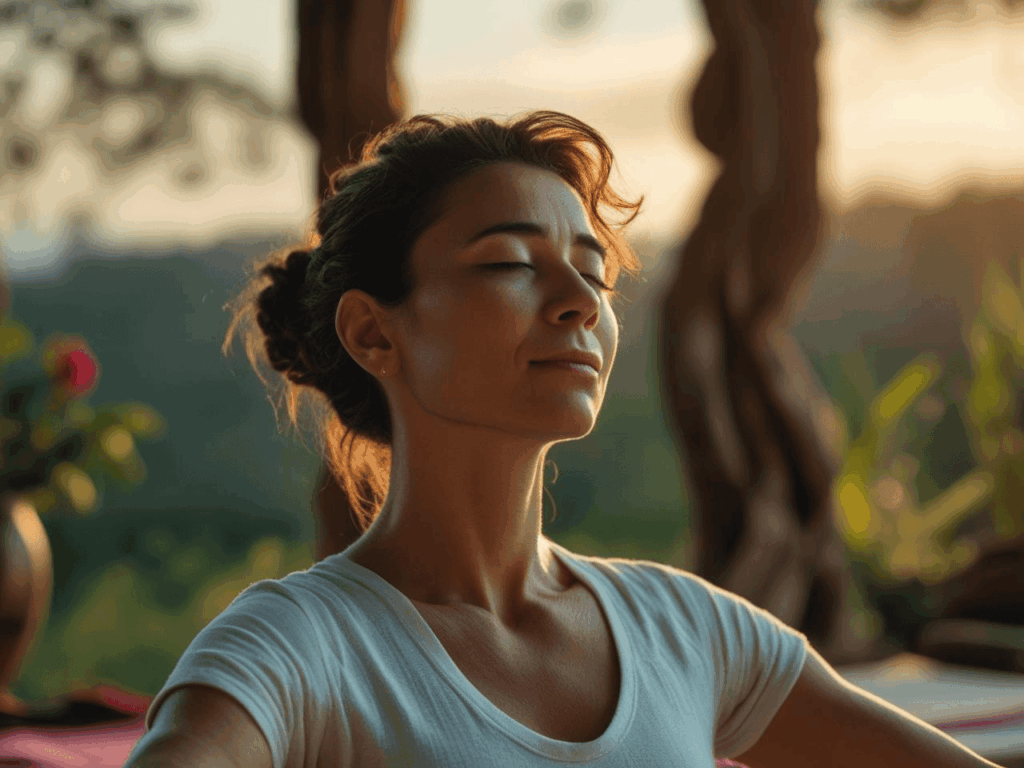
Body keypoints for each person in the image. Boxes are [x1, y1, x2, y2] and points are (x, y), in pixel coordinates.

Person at [125, 111, 1001, 768]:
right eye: (510, 262)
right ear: (374, 335)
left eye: (594, 270)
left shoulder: (689, 632)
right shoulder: (301, 647)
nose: (579, 300)